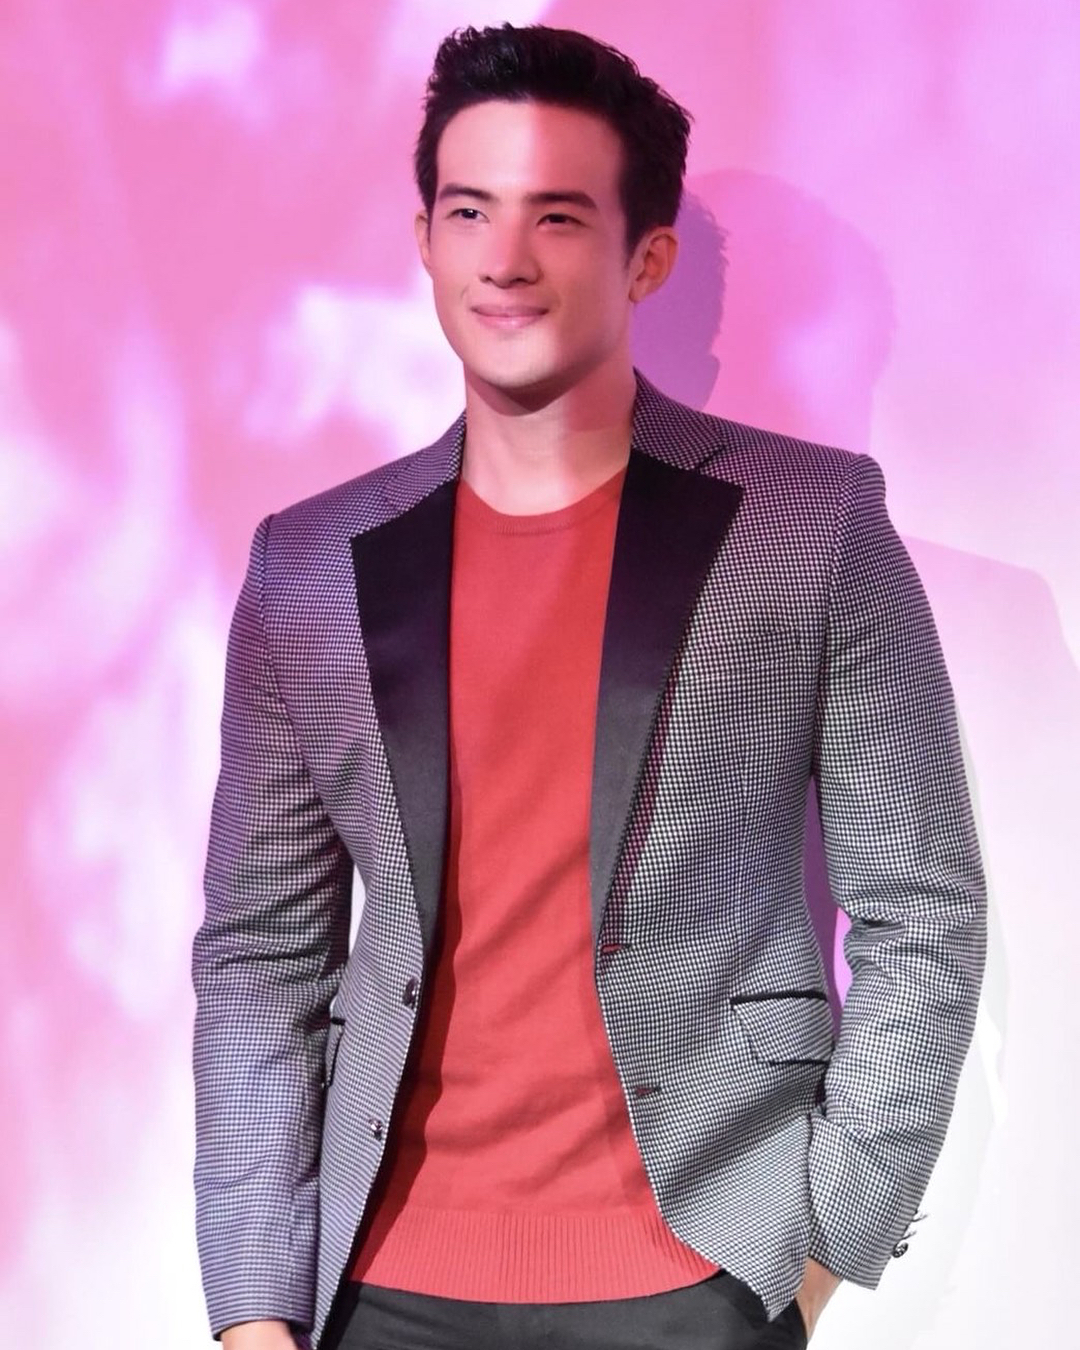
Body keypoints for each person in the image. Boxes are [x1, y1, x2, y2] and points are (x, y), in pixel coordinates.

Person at [192, 22, 987, 1350]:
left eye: (556, 217)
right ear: (425, 239)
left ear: (646, 256)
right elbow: (260, 952)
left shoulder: (810, 524)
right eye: (469, 212)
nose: (504, 258)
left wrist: (818, 1251)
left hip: (692, 1275)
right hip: (382, 1290)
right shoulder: (309, 564)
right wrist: (256, 1313)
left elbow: (924, 906)